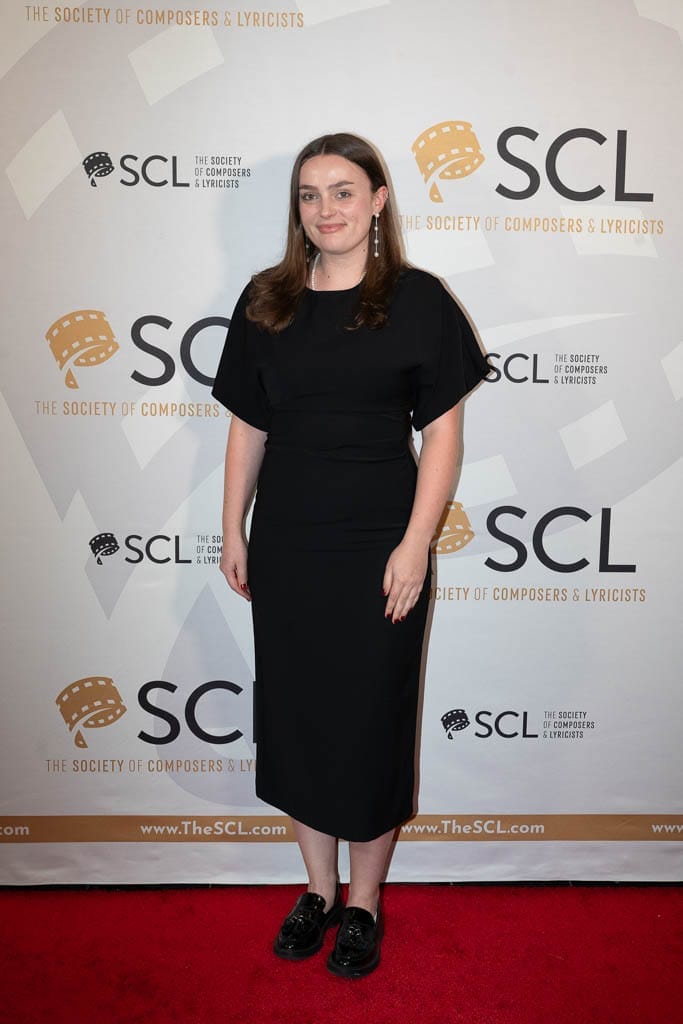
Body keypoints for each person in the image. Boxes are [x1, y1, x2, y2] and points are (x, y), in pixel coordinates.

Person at [212, 132, 491, 978]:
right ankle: (318, 890)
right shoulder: (266, 301)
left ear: (377, 201)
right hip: (290, 544)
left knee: (370, 723)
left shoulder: (416, 300)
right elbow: (248, 425)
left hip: (379, 545)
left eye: (342, 191)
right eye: (308, 194)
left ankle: (364, 903)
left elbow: (442, 434)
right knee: (297, 719)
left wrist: (415, 544)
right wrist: (233, 528)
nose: (324, 208)